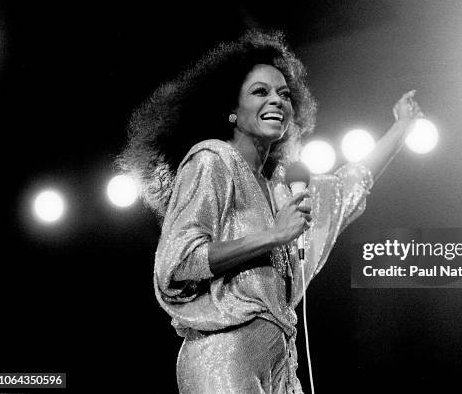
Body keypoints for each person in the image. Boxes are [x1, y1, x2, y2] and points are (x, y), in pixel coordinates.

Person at [118, 30, 422, 394]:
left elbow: (347, 187)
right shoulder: (212, 160)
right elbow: (178, 262)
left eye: (284, 93)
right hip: (224, 358)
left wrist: (402, 126)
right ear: (231, 108)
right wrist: (272, 236)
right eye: (260, 91)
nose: (276, 100)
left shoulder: (282, 186)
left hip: (281, 362)